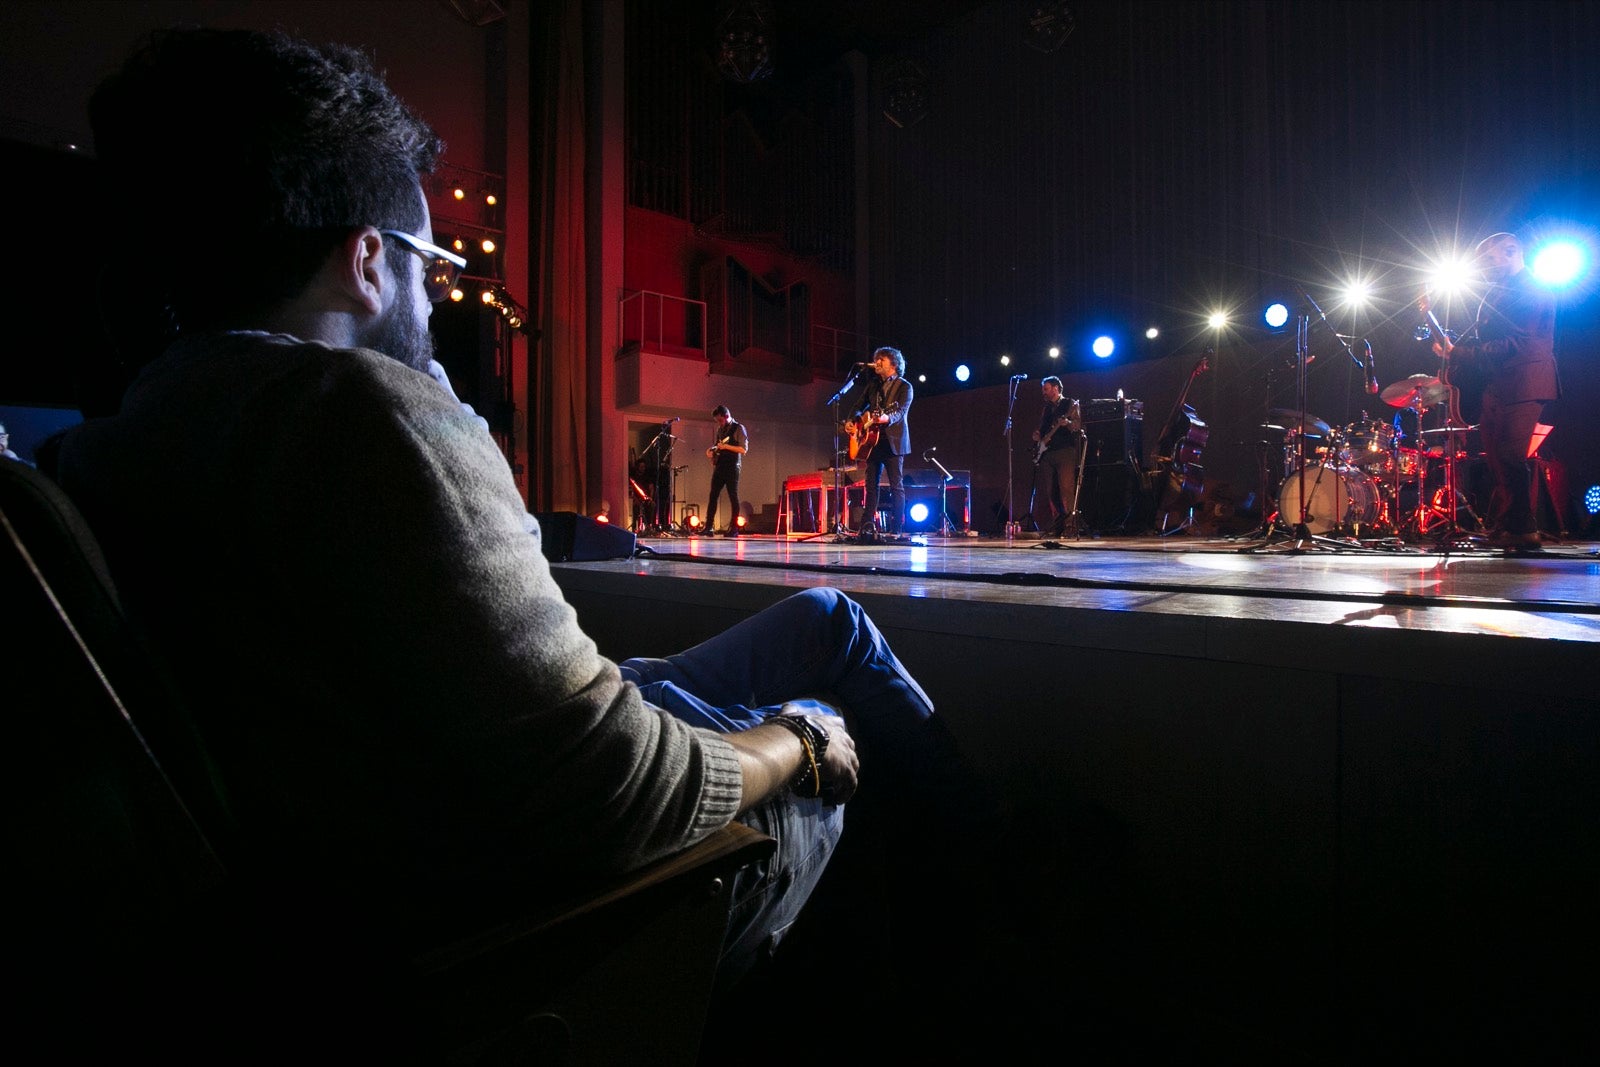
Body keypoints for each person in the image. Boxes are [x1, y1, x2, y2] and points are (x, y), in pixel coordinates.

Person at [48, 27, 950, 989]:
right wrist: (795, 736)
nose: (437, 299)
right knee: (824, 699)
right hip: (541, 898)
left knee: (827, 615)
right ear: (364, 261)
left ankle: (958, 850)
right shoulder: (362, 417)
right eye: (427, 265)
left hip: (427, 805)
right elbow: (618, 789)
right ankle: (972, 916)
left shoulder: (116, 438)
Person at [1422, 232, 1559, 550]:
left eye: (1489, 258)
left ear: (1512, 252)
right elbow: (1492, 342)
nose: (1484, 266)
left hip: (1524, 382)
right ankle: (1509, 526)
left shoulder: (1533, 288)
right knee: (1496, 455)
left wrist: (1457, 353)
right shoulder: (1499, 293)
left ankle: (1524, 529)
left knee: (1510, 454)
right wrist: (1455, 351)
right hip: (1499, 385)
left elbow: (1515, 343)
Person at [853, 346, 913, 542]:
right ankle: (866, 526)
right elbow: (858, 406)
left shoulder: (904, 387)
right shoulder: (873, 385)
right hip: (872, 442)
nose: (877, 363)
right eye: (876, 359)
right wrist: (851, 421)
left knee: (896, 486)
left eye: (882, 360)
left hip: (894, 442)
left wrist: (886, 418)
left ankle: (896, 529)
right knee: (871, 485)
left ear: (894, 365)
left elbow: (900, 412)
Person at [1029, 376, 1083, 536]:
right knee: (1051, 491)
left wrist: (1068, 424)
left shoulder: (1070, 404)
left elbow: (1077, 426)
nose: (1043, 392)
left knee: (1066, 489)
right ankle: (1058, 524)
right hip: (1047, 453)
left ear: (1055, 388)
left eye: (1045, 389)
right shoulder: (1046, 408)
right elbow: (1042, 428)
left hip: (1065, 451)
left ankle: (1070, 526)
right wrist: (1038, 435)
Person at [704, 404, 747, 536]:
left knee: (733, 496)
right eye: (717, 421)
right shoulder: (720, 430)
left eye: (720, 420)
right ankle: (708, 527)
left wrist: (726, 447)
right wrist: (712, 451)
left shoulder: (739, 428)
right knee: (713, 495)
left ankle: (734, 528)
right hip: (720, 466)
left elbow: (743, 450)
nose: (719, 423)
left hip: (732, 466)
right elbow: (719, 446)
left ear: (727, 416)